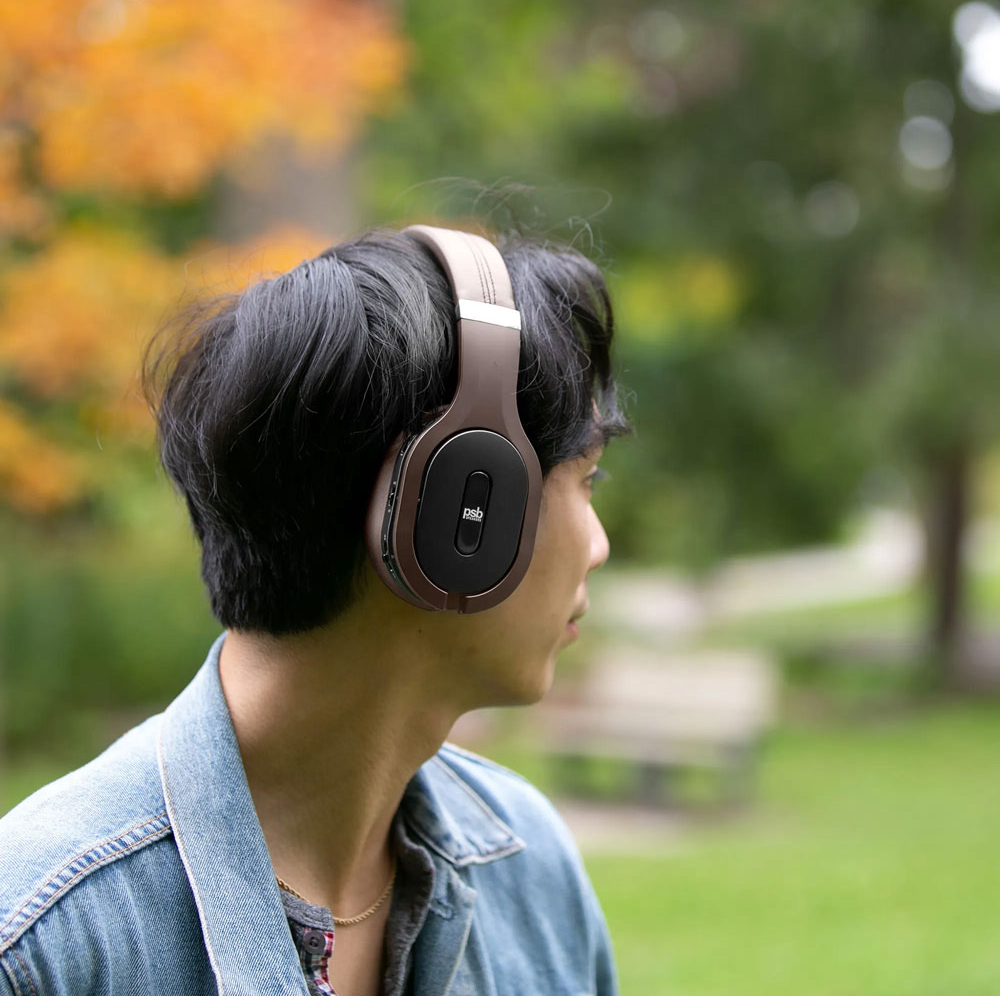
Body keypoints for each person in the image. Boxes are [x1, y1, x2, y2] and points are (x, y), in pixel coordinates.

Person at [0, 222, 632, 996]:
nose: (598, 545)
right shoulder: (42, 948)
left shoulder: (525, 864)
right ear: (463, 513)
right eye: (587, 478)